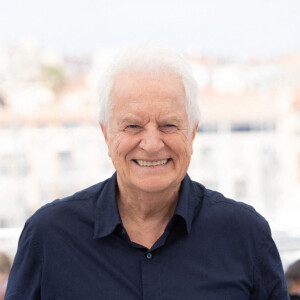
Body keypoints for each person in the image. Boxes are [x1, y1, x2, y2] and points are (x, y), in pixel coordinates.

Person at [5, 45, 288, 299]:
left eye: (168, 125)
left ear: (192, 133)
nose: (152, 144)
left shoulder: (246, 235)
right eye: (132, 126)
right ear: (107, 136)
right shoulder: (48, 236)